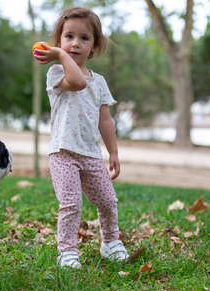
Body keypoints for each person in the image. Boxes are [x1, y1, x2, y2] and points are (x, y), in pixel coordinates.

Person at [34, 7, 129, 268]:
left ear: (94, 46)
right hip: (63, 152)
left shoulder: (99, 81)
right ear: (58, 42)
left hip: (90, 154)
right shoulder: (56, 74)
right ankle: (67, 251)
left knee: (108, 201)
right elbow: (76, 82)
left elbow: (105, 120)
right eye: (69, 37)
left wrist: (114, 152)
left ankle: (110, 242)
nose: (75, 43)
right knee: (71, 203)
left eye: (84, 38)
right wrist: (61, 57)